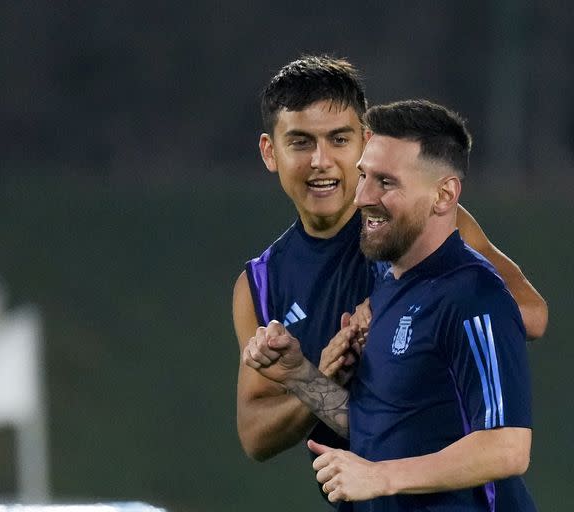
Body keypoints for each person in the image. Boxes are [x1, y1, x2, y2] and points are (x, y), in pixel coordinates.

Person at [233, 55, 547, 502]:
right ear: (270, 152)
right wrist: (312, 378)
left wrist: (392, 309)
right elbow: (260, 435)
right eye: (301, 142)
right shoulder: (260, 284)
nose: (321, 161)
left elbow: (529, 315)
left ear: (365, 141)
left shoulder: (422, 222)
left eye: (339, 139)